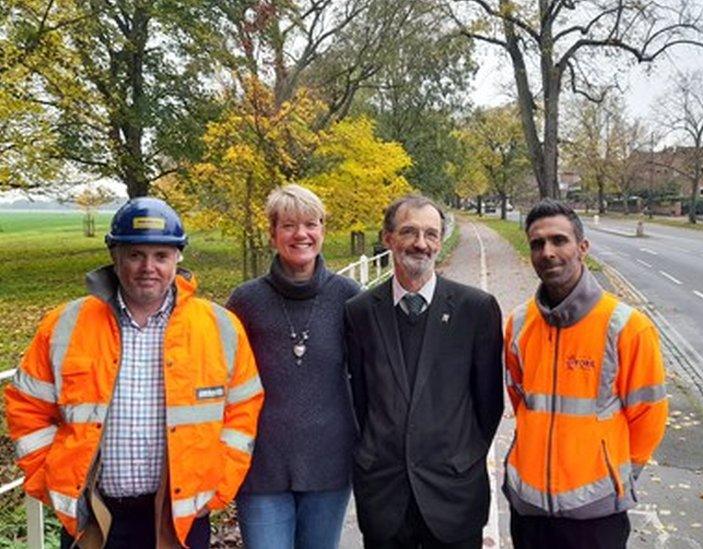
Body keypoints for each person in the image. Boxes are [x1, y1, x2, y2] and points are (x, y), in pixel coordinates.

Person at [4, 197, 264, 548]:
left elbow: (243, 412)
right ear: (115, 257)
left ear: (178, 258)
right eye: (136, 255)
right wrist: (51, 480)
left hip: (178, 519)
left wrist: (217, 488)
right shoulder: (65, 324)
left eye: (161, 256)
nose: (148, 267)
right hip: (94, 518)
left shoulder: (219, 327)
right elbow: (27, 408)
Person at [502, 199, 668, 549]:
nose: (547, 252)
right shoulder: (518, 324)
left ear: (582, 247)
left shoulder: (627, 327)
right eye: (537, 243)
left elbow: (649, 417)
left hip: (596, 518)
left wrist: (613, 477)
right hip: (528, 510)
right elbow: (520, 398)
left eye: (559, 240)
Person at [344, 195, 504, 549]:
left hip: (454, 494)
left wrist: (462, 456)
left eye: (431, 234)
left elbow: (489, 403)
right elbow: (359, 401)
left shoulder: (476, 310)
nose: (421, 243)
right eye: (409, 232)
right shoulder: (359, 313)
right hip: (384, 495)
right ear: (387, 238)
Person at [226, 184, 361, 549]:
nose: (301, 234)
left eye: (311, 224)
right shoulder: (246, 301)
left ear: (322, 231)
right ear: (272, 235)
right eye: (288, 226)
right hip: (261, 467)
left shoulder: (349, 297)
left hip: (329, 463)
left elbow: (372, 378)